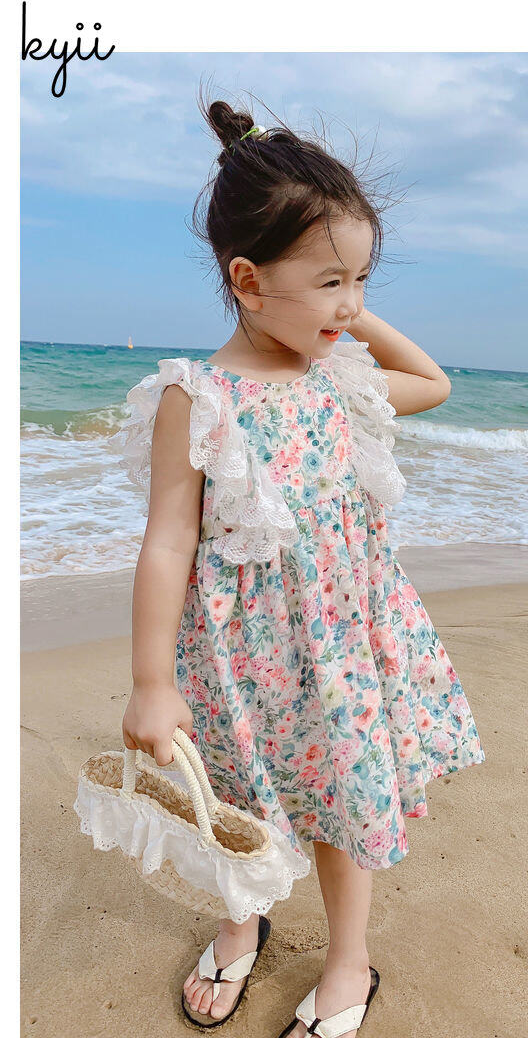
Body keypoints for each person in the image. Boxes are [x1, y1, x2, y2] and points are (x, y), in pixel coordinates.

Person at [115, 92, 486, 1037]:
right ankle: (240, 925)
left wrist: (339, 306)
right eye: (330, 281)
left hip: (342, 644)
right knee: (234, 801)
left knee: (342, 799)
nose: (352, 304)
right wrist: (152, 683)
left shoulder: (342, 380)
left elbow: (434, 383)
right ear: (247, 279)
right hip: (236, 653)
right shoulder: (196, 397)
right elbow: (168, 540)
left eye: (361, 280)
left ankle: (348, 961)